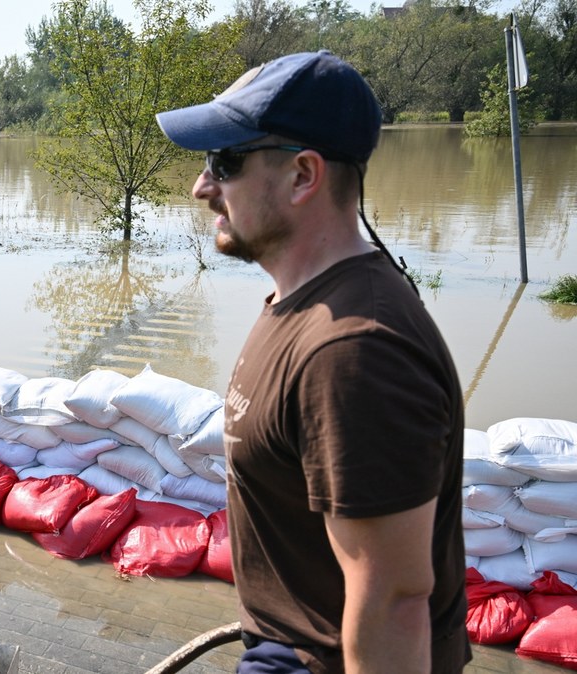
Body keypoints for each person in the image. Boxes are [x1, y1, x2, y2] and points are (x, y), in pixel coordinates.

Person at [155, 51, 469, 673]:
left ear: (303, 175)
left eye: (226, 161)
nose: (202, 186)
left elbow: (396, 601)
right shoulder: (303, 301)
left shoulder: (355, 351)